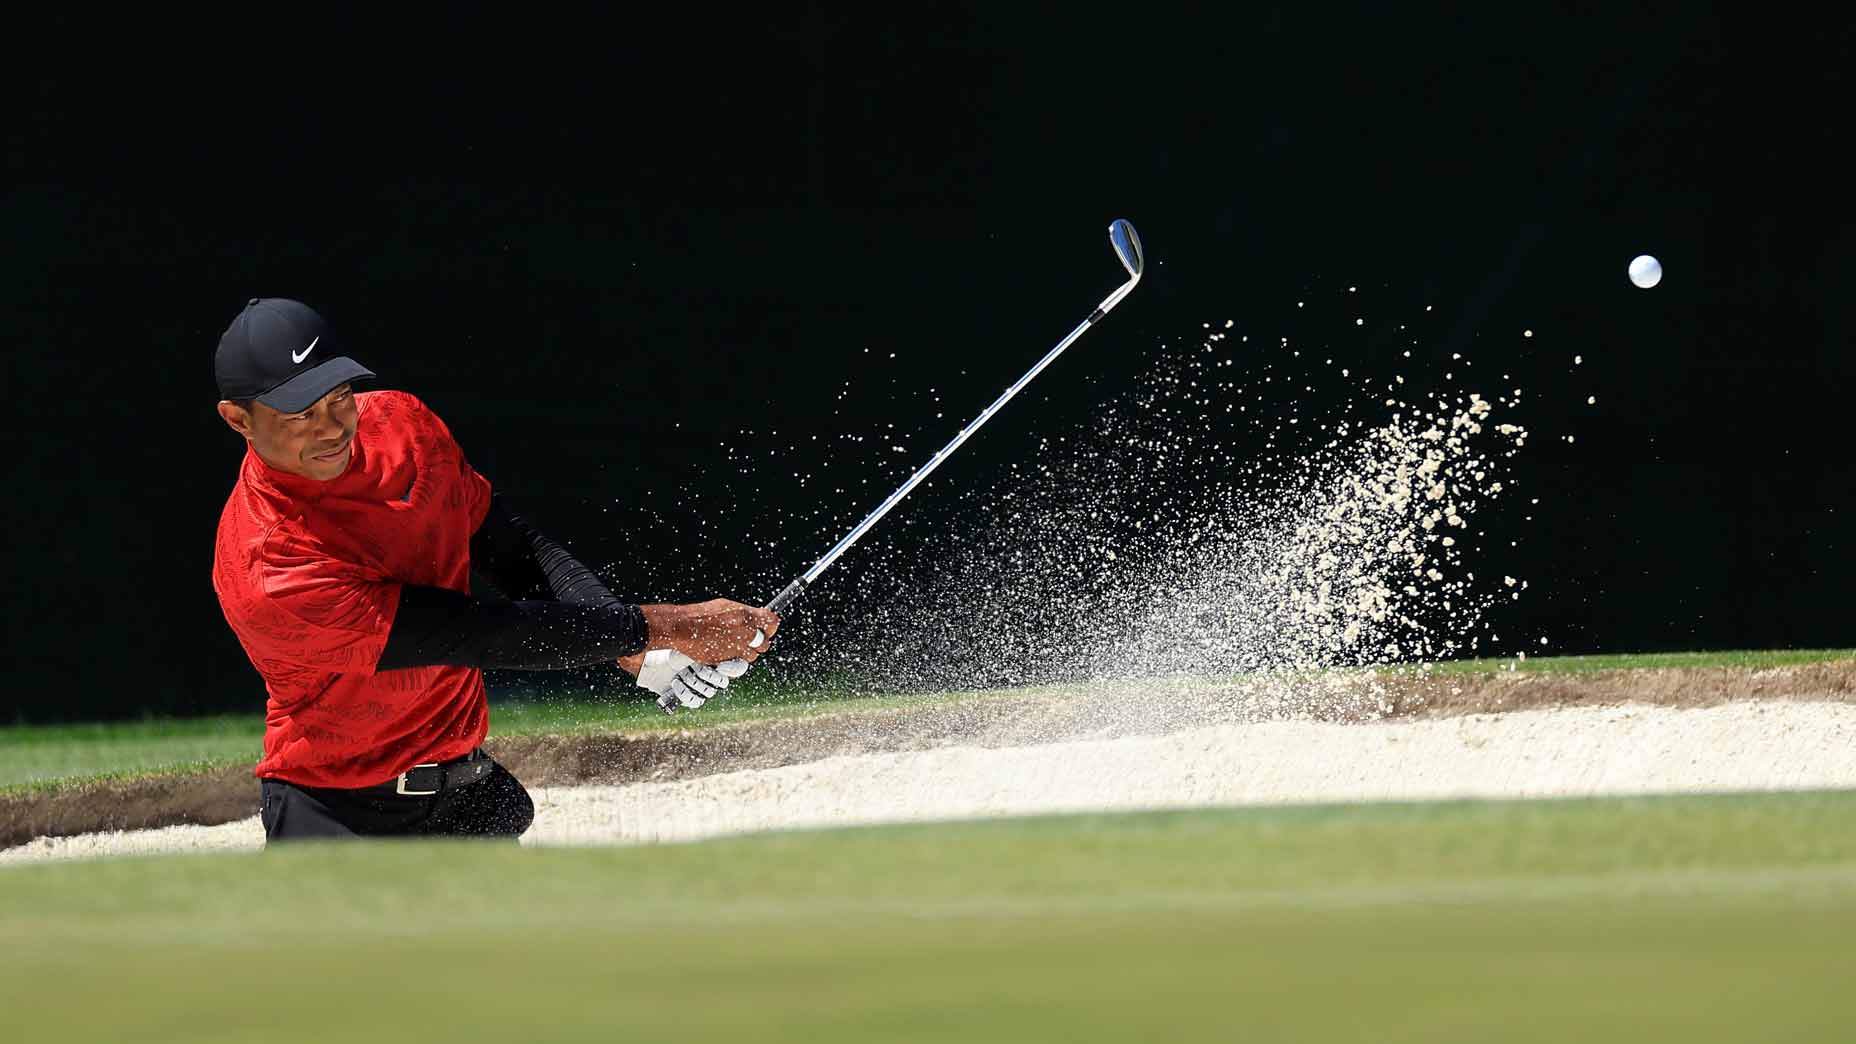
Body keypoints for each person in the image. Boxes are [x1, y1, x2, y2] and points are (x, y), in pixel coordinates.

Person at [210, 297, 777, 842]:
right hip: (341, 817)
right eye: (302, 414)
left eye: (338, 398)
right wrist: (665, 627)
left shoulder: (401, 424)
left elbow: (512, 550)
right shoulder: (268, 562)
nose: (333, 427)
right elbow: (479, 634)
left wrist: (631, 649)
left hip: (467, 793)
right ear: (239, 420)